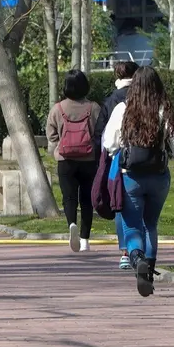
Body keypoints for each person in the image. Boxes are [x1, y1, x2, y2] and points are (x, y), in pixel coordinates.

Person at [103, 66, 174, 297]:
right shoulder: (164, 110)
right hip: (159, 177)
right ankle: (150, 268)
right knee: (150, 225)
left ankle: (137, 259)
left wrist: (121, 149)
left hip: (131, 177)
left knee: (133, 226)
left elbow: (109, 143)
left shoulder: (123, 109)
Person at [46, 69, 102, 253]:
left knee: (69, 197)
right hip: (89, 159)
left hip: (65, 160)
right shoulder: (93, 107)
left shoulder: (58, 109)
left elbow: (51, 134)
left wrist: (57, 147)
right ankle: (85, 239)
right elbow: (99, 132)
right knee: (87, 199)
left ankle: (71, 224)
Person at [103, 61, 138, 269]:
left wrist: (107, 154)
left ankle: (125, 251)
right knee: (146, 214)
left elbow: (106, 135)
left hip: (120, 158)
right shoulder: (148, 98)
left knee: (120, 204)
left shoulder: (113, 100)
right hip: (150, 160)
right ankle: (145, 255)